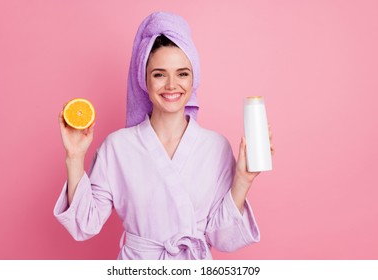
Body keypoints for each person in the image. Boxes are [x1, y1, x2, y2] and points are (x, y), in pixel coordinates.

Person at [54, 11, 272, 260]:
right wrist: (74, 156)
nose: (171, 85)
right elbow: (85, 224)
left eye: (182, 73)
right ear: (144, 79)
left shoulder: (216, 147)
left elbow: (222, 237)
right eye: (159, 74)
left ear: (194, 79)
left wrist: (243, 180)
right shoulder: (117, 147)